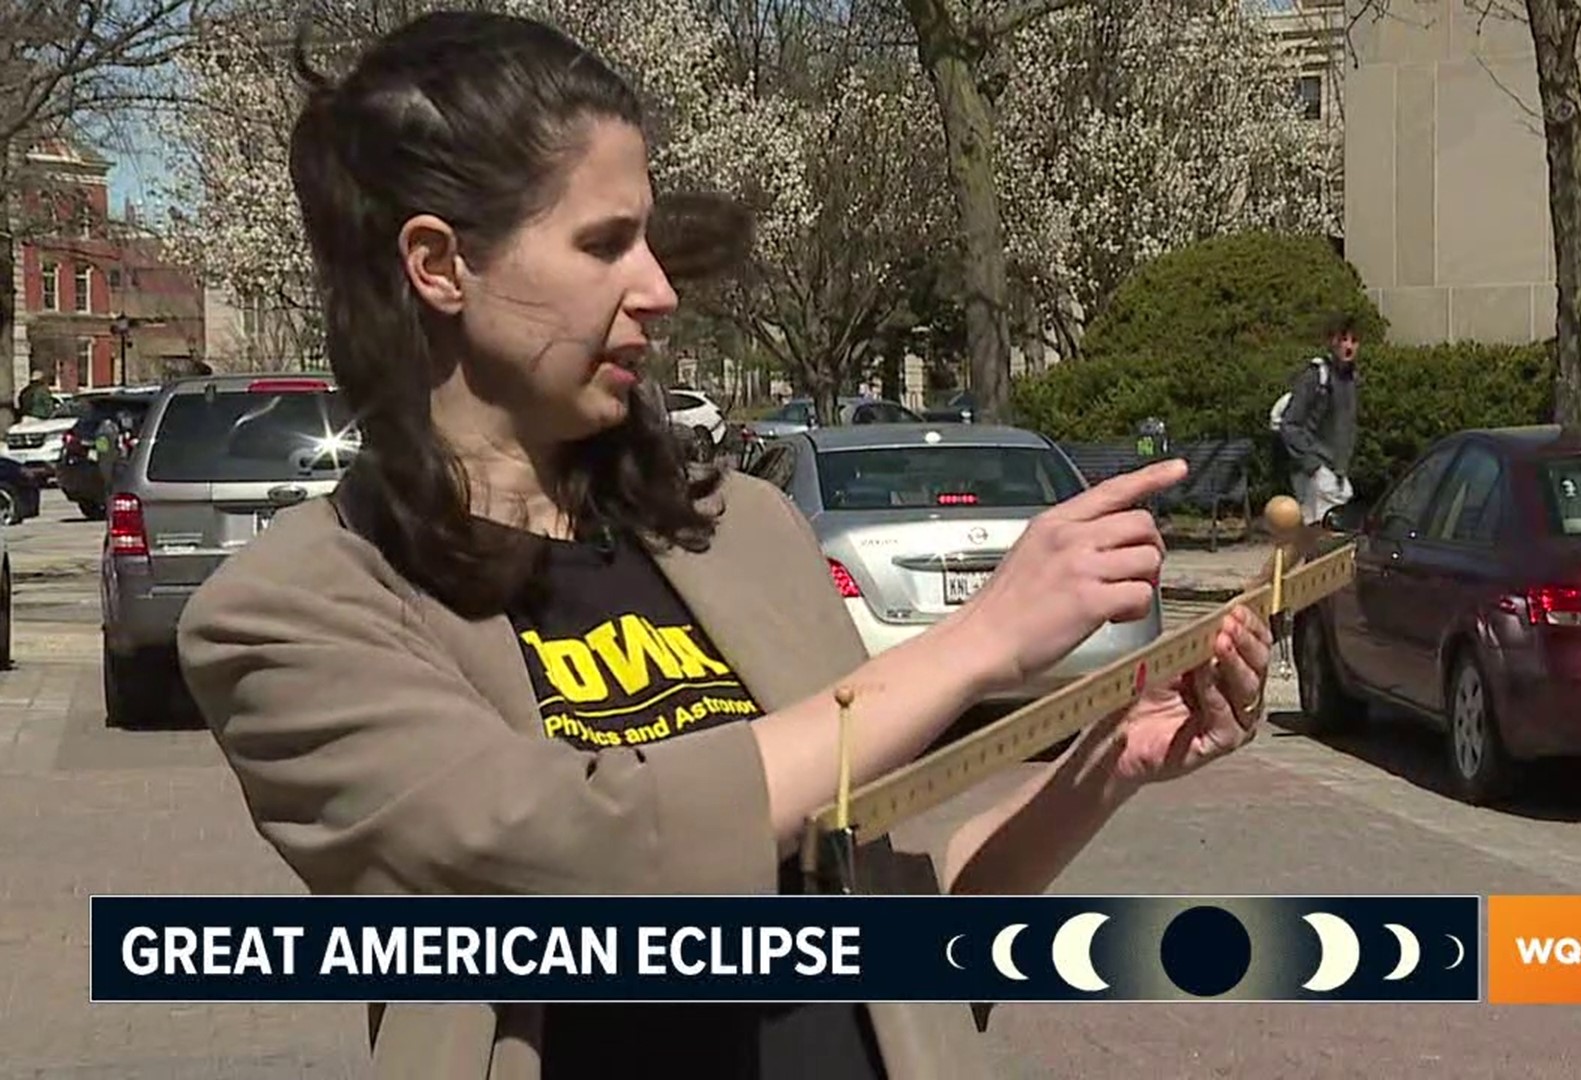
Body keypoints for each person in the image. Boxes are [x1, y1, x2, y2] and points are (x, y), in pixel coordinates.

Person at [174, 12, 1273, 1080]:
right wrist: (979, 642)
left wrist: (1100, 766)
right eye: (604, 244)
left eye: (649, 238)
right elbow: (590, 861)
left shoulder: (741, 530)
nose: (658, 289)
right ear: (439, 264)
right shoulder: (291, 615)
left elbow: (892, 939)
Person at [1272, 314, 1361, 527]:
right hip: (1316, 471)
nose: (1348, 346)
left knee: (1324, 539)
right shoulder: (1316, 376)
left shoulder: (1351, 379)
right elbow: (1291, 425)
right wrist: (1313, 465)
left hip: (1336, 472)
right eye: (1343, 340)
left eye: (1354, 341)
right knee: (1318, 535)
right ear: (1332, 342)